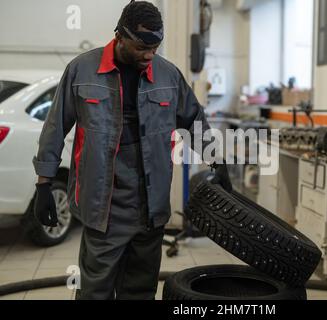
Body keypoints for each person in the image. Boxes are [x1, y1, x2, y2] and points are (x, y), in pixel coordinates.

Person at [32, 0, 231, 300]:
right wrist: (44, 184)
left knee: (140, 291)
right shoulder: (82, 71)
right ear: (120, 36)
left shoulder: (168, 75)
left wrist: (217, 159)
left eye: (155, 48)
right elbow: (54, 127)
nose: (149, 55)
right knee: (94, 292)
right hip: (103, 209)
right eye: (141, 47)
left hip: (151, 209)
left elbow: (194, 119)